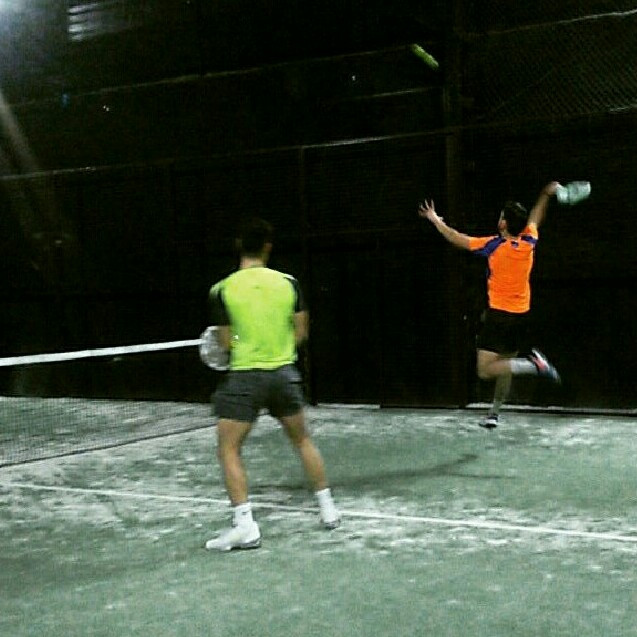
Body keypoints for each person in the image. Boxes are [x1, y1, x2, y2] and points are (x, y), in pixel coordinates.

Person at [205, 217, 340, 551]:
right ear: (268, 247)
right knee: (302, 440)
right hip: (283, 374)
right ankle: (328, 509)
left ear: (239, 246)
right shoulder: (289, 284)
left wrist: (243, 343)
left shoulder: (221, 290)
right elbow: (300, 333)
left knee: (228, 448)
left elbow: (227, 342)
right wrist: (275, 347)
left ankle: (245, 527)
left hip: (245, 377)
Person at [418, 182, 562, 429]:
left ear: (503, 223)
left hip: (499, 317)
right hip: (520, 317)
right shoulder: (528, 241)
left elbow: (456, 238)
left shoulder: (493, 246)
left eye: (501, 216)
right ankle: (494, 413)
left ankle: (532, 365)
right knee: (504, 367)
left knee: (485, 370)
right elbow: (536, 217)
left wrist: (434, 219)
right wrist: (546, 194)